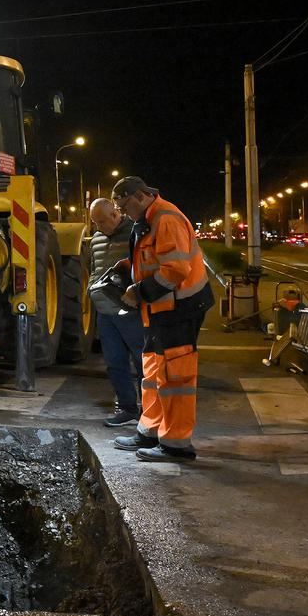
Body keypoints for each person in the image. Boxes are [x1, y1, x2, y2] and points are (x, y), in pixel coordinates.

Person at [109, 175, 213, 462]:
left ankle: (176, 444)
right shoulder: (148, 218)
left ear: (140, 196)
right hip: (161, 308)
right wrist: (128, 267)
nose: (126, 213)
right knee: (154, 372)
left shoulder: (164, 218)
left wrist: (139, 291)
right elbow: (155, 259)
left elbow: (176, 269)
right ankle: (151, 430)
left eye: (126, 206)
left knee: (176, 376)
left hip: (180, 309)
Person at [88, 197, 146, 428]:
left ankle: (149, 411)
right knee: (114, 362)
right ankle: (127, 408)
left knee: (143, 361)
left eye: (102, 221)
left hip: (131, 309)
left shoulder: (136, 233)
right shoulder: (96, 239)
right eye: (95, 223)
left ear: (115, 214)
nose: (99, 227)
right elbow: (94, 267)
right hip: (105, 311)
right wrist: (92, 287)